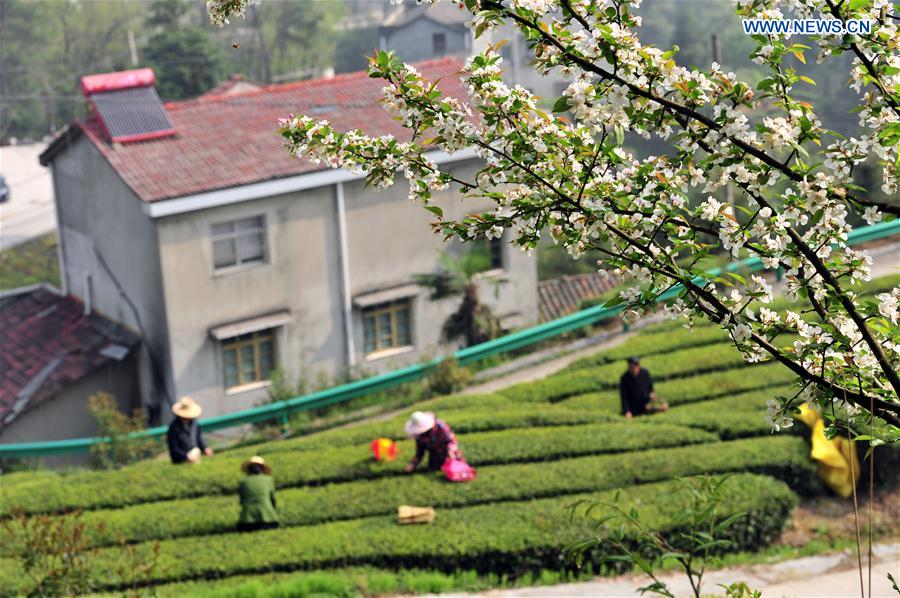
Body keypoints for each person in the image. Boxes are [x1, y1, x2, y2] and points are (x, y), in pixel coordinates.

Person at [166, 397, 214, 464]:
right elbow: (174, 448)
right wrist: (186, 457)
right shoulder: (173, 427)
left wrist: (205, 448)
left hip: (195, 458)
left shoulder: (194, 423)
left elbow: (199, 438)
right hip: (180, 461)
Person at [237, 456, 279, 532]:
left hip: (247, 521)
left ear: (248, 469)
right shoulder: (269, 480)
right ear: (262, 469)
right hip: (268, 519)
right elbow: (273, 500)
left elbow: (242, 501)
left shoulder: (243, 482)